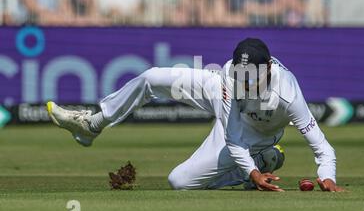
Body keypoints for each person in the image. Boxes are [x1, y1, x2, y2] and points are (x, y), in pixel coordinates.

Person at [46, 38, 342, 192]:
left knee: (180, 182)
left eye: (250, 76)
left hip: (257, 133)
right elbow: (232, 134)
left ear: (267, 69)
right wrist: (252, 172)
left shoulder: (287, 93)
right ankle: (92, 124)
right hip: (228, 111)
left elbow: (322, 148)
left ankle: (262, 159)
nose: (244, 81)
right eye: (240, 74)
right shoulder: (229, 76)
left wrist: (326, 177)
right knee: (151, 78)